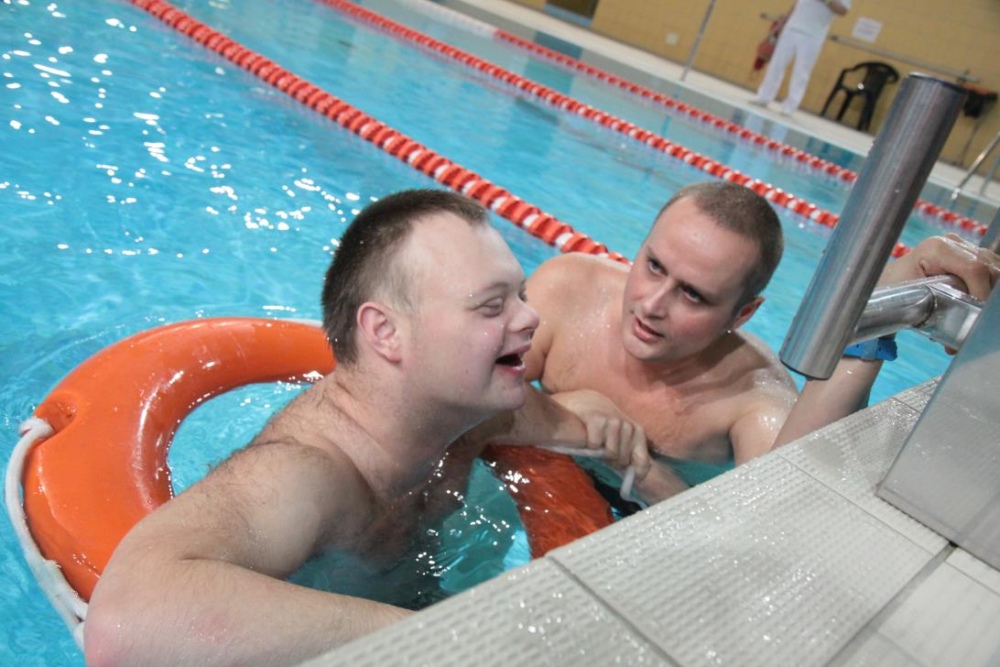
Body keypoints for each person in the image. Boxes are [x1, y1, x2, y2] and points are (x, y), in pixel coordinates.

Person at [83, 189, 649, 667]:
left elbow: (554, 419)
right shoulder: (305, 473)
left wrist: (579, 416)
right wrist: (440, 638)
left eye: (520, 296)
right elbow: (125, 617)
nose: (530, 318)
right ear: (385, 333)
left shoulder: (470, 418)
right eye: (491, 306)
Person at [522, 181, 1000, 504]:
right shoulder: (568, 290)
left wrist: (641, 472)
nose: (651, 304)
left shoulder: (752, 400)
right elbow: (478, 398)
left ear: (743, 314)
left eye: (693, 295)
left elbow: (773, 511)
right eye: (654, 266)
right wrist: (569, 410)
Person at [750, 0, 851, 116]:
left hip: (813, 34)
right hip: (792, 28)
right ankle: (763, 97)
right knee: (776, 64)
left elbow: (843, 11)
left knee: (801, 72)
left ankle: (790, 106)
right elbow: (796, 3)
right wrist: (781, 23)